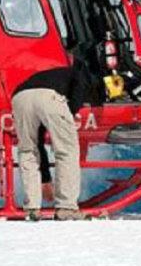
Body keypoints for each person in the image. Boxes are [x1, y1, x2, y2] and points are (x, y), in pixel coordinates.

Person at [11, 56, 100, 221]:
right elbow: (79, 89)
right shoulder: (86, 76)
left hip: (20, 96)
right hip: (49, 97)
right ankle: (66, 207)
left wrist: (45, 178)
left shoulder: (54, 75)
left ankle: (31, 208)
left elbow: (38, 142)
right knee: (67, 151)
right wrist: (70, 114)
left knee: (28, 150)